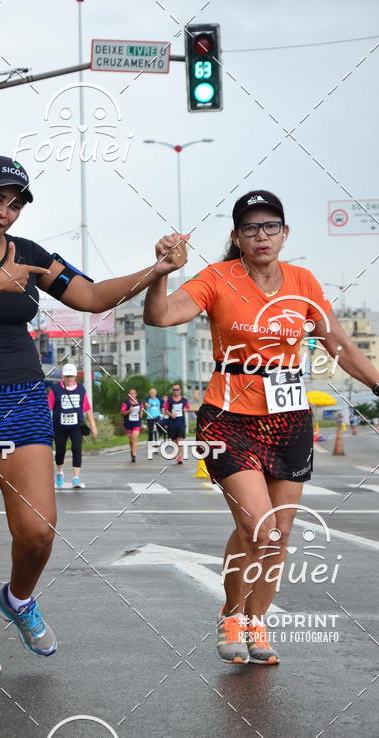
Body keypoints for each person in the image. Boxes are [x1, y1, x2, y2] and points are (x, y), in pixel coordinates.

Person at [0, 155, 180, 679]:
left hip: (23, 400)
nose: (3, 213)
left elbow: (92, 295)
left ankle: (19, 598)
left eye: (14, 205)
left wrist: (158, 270)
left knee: (37, 531)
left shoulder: (31, 256)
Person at [144, 190, 379, 665]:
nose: (261, 235)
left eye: (270, 225)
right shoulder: (217, 278)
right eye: (250, 228)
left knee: (281, 531)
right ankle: (232, 613)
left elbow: (339, 347)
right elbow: (161, 315)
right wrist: (163, 272)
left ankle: (257, 621)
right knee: (257, 526)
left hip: (288, 417)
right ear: (236, 237)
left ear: (285, 232)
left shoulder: (304, 282)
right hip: (227, 417)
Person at [48, 362, 97, 489]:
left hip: (77, 426)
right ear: (63, 376)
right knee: (60, 451)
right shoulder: (55, 389)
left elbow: (87, 408)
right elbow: (48, 408)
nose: (69, 379)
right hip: (59, 426)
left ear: (75, 376)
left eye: (71, 376)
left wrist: (93, 425)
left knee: (77, 448)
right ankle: (59, 472)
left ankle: (76, 477)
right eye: (67, 376)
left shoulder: (81, 389)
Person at [165, 384, 191, 464]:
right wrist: (171, 415)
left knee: (181, 440)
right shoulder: (169, 401)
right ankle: (177, 454)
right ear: (173, 391)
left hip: (181, 423)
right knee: (174, 440)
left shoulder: (184, 400)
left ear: (180, 390)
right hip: (172, 423)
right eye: (174, 390)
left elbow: (188, 408)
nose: (176, 391)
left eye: (177, 389)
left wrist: (185, 410)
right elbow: (165, 410)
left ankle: (180, 457)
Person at [120, 388, 144, 462]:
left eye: (134, 393)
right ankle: (132, 451)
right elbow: (122, 413)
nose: (132, 395)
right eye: (131, 394)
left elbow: (142, 409)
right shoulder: (126, 403)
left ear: (136, 395)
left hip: (136, 422)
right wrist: (129, 411)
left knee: (134, 438)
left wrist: (141, 414)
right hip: (128, 423)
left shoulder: (139, 402)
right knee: (131, 441)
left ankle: (134, 454)